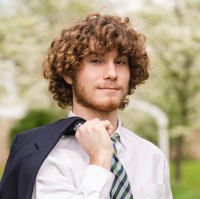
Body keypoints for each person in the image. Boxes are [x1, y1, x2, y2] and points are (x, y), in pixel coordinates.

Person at [0, 13, 173, 199]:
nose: (112, 73)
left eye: (120, 62)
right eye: (96, 61)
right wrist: (100, 159)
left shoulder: (152, 156)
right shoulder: (44, 156)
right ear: (68, 73)